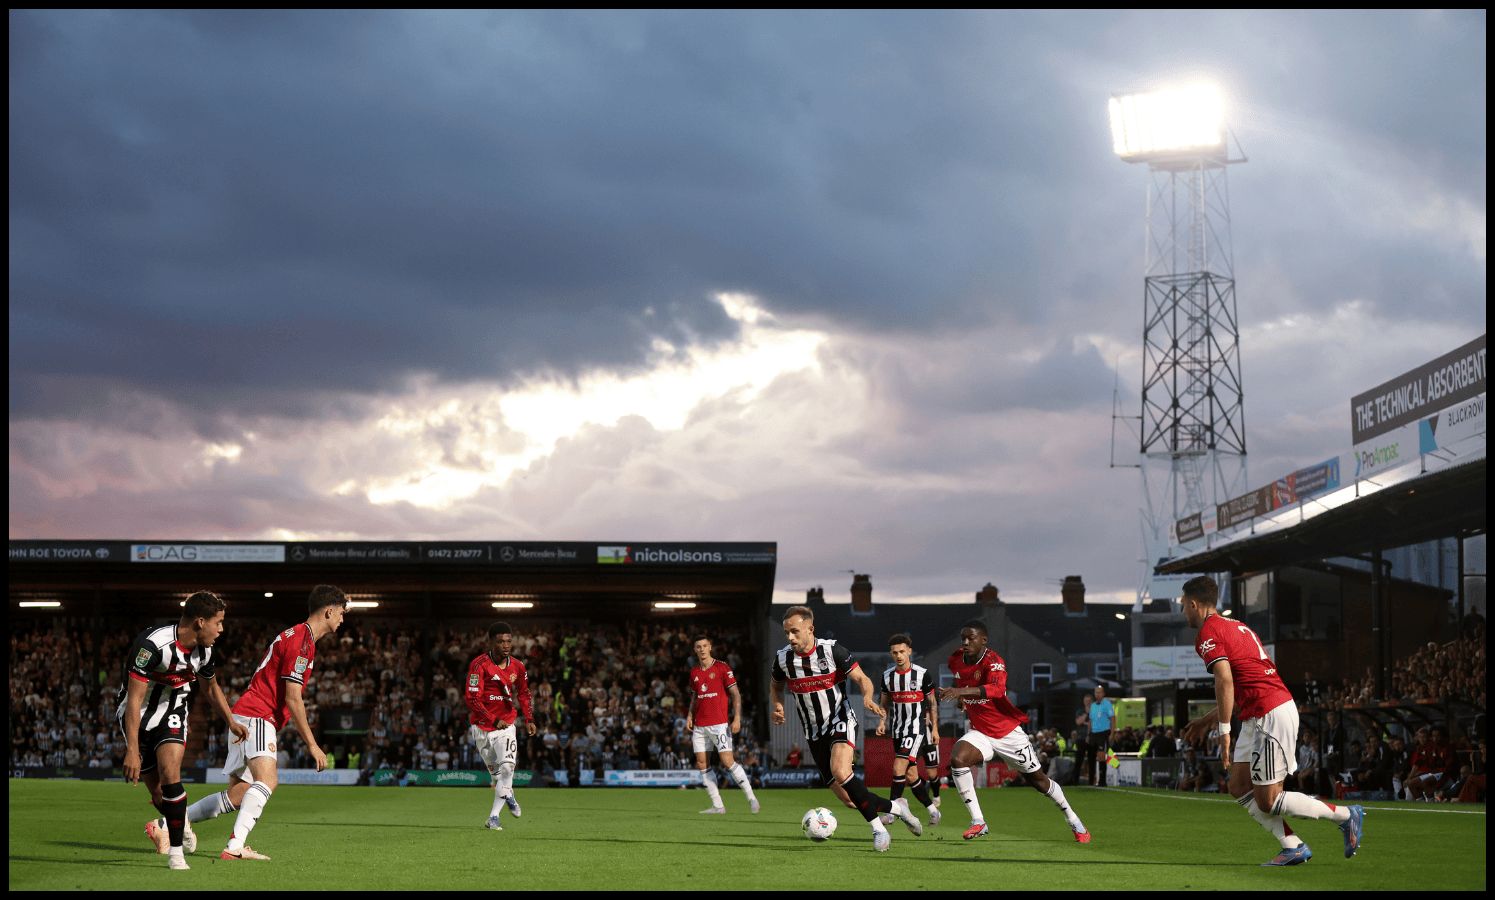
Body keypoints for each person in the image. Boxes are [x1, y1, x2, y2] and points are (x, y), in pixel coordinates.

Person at [1180, 576, 1364, 866]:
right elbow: (1244, 685)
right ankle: (1293, 846)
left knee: (1268, 799)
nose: (1182, 612)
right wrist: (1206, 720)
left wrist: (1224, 731)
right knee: (1239, 786)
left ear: (1193, 604)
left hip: (1270, 713)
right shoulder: (1237, 627)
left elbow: (1225, 681)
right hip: (1261, 711)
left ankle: (1345, 815)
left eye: (1182, 606)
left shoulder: (1207, 633)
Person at [180, 585, 348, 861]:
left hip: (248, 713)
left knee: (238, 795)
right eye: (341, 613)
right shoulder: (302, 643)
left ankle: (170, 824)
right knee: (267, 780)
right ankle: (235, 846)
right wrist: (313, 745)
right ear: (328, 611)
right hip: (259, 715)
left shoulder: (299, 638)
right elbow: (293, 698)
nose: (343, 619)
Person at [770, 605, 922, 852]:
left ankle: (879, 830)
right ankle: (898, 808)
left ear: (810, 629)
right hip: (813, 732)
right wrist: (778, 705)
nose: (790, 638)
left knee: (841, 771)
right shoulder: (783, 658)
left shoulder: (832, 651)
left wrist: (867, 697)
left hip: (840, 718)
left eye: (795, 632)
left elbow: (863, 679)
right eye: (787, 633)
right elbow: (775, 686)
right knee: (849, 799)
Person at [937, 620, 1091, 844]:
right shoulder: (956, 659)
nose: (966, 642)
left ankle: (1073, 819)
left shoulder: (994, 661)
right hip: (981, 732)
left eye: (971, 638)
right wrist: (962, 698)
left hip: (1008, 733)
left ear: (984, 640)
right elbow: (962, 678)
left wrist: (962, 691)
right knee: (958, 759)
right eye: (963, 638)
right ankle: (978, 821)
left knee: (1039, 781)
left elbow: (997, 690)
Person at [123, 590, 245, 870]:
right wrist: (131, 749)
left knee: (171, 776)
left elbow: (210, 688)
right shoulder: (152, 646)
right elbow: (134, 700)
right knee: (158, 796)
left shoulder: (205, 651)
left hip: (174, 710)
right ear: (200, 622)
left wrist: (230, 721)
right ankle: (181, 823)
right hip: (139, 714)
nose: (221, 629)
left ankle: (176, 854)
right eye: (219, 622)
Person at [465, 621, 536, 830]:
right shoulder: (479, 665)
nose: (506, 645)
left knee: (507, 767)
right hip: (482, 728)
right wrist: (493, 719)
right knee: (497, 777)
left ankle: (493, 817)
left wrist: (529, 718)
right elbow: (472, 699)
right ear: (491, 643)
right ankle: (509, 794)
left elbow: (523, 693)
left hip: (506, 726)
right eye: (500, 641)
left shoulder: (518, 666)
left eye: (508, 641)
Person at [685, 635, 759, 814]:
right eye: (698, 646)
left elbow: (735, 694)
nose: (701, 649)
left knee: (727, 761)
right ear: (695, 650)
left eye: (704, 645)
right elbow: (695, 696)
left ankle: (751, 798)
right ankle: (718, 805)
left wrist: (737, 718)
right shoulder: (694, 672)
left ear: (710, 647)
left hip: (719, 724)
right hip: (700, 725)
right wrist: (689, 715)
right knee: (702, 763)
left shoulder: (722, 667)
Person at [875, 633, 941, 826]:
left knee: (898, 767)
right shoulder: (887, 676)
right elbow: (884, 703)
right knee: (911, 775)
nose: (899, 655)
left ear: (909, 651)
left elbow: (932, 703)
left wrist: (935, 729)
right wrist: (882, 722)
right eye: (895, 652)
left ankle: (891, 812)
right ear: (891, 653)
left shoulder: (921, 674)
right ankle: (933, 811)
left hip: (916, 730)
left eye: (902, 651)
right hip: (898, 730)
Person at [1085, 685, 1115, 786]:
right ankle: (1091, 781)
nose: (1097, 694)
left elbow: (1112, 719)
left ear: (1103, 694)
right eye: (1096, 692)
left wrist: (1112, 733)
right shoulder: (1093, 705)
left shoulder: (1107, 704)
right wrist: (1088, 734)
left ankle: (1102, 781)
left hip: (1103, 733)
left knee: (1102, 756)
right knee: (1091, 757)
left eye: (1099, 692)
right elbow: (1090, 721)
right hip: (1093, 734)